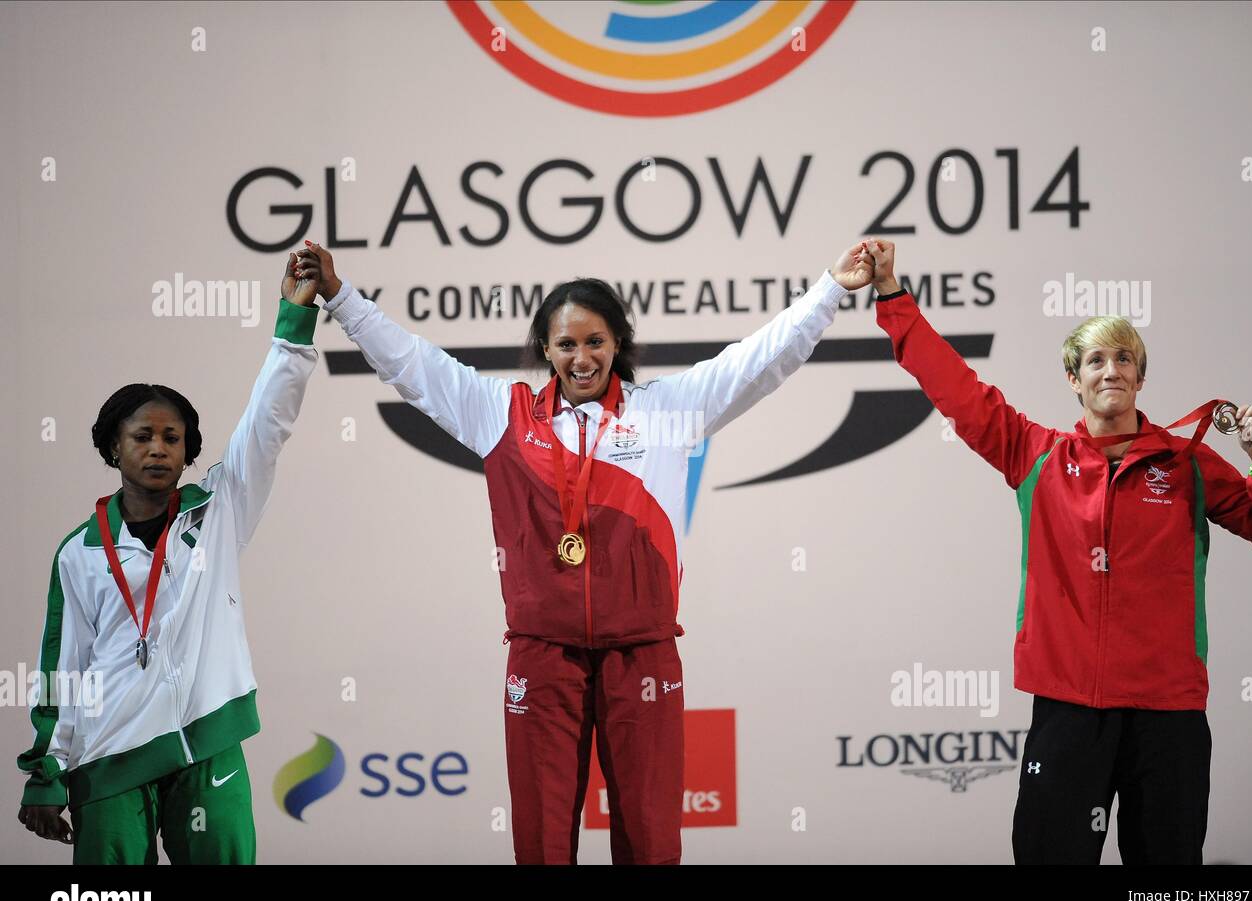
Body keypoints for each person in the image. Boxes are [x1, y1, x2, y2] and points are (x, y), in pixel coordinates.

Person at [298, 241, 874, 864]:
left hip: (642, 651)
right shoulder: (500, 415)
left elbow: (759, 360)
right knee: (543, 843)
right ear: (544, 349)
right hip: (543, 655)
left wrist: (831, 290)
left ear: (618, 343)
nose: (581, 357)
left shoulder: (665, 413)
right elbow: (411, 364)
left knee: (650, 841)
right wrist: (340, 297)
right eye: (566, 344)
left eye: (595, 341)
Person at [866, 238, 1252, 864]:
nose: (1111, 370)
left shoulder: (1188, 463)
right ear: (1074, 379)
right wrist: (891, 296)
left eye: (1124, 358)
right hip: (1069, 707)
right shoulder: (1035, 455)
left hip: (1167, 710)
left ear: (1140, 377)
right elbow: (956, 388)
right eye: (1095, 360)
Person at [16, 252, 324, 863]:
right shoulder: (79, 552)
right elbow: (64, 664)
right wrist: (47, 769)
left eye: (172, 438)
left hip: (206, 743)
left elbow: (269, 419)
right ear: (113, 448)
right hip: (109, 757)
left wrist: (293, 318)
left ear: (189, 452)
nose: (158, 449)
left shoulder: (219, 509)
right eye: (142, 436)